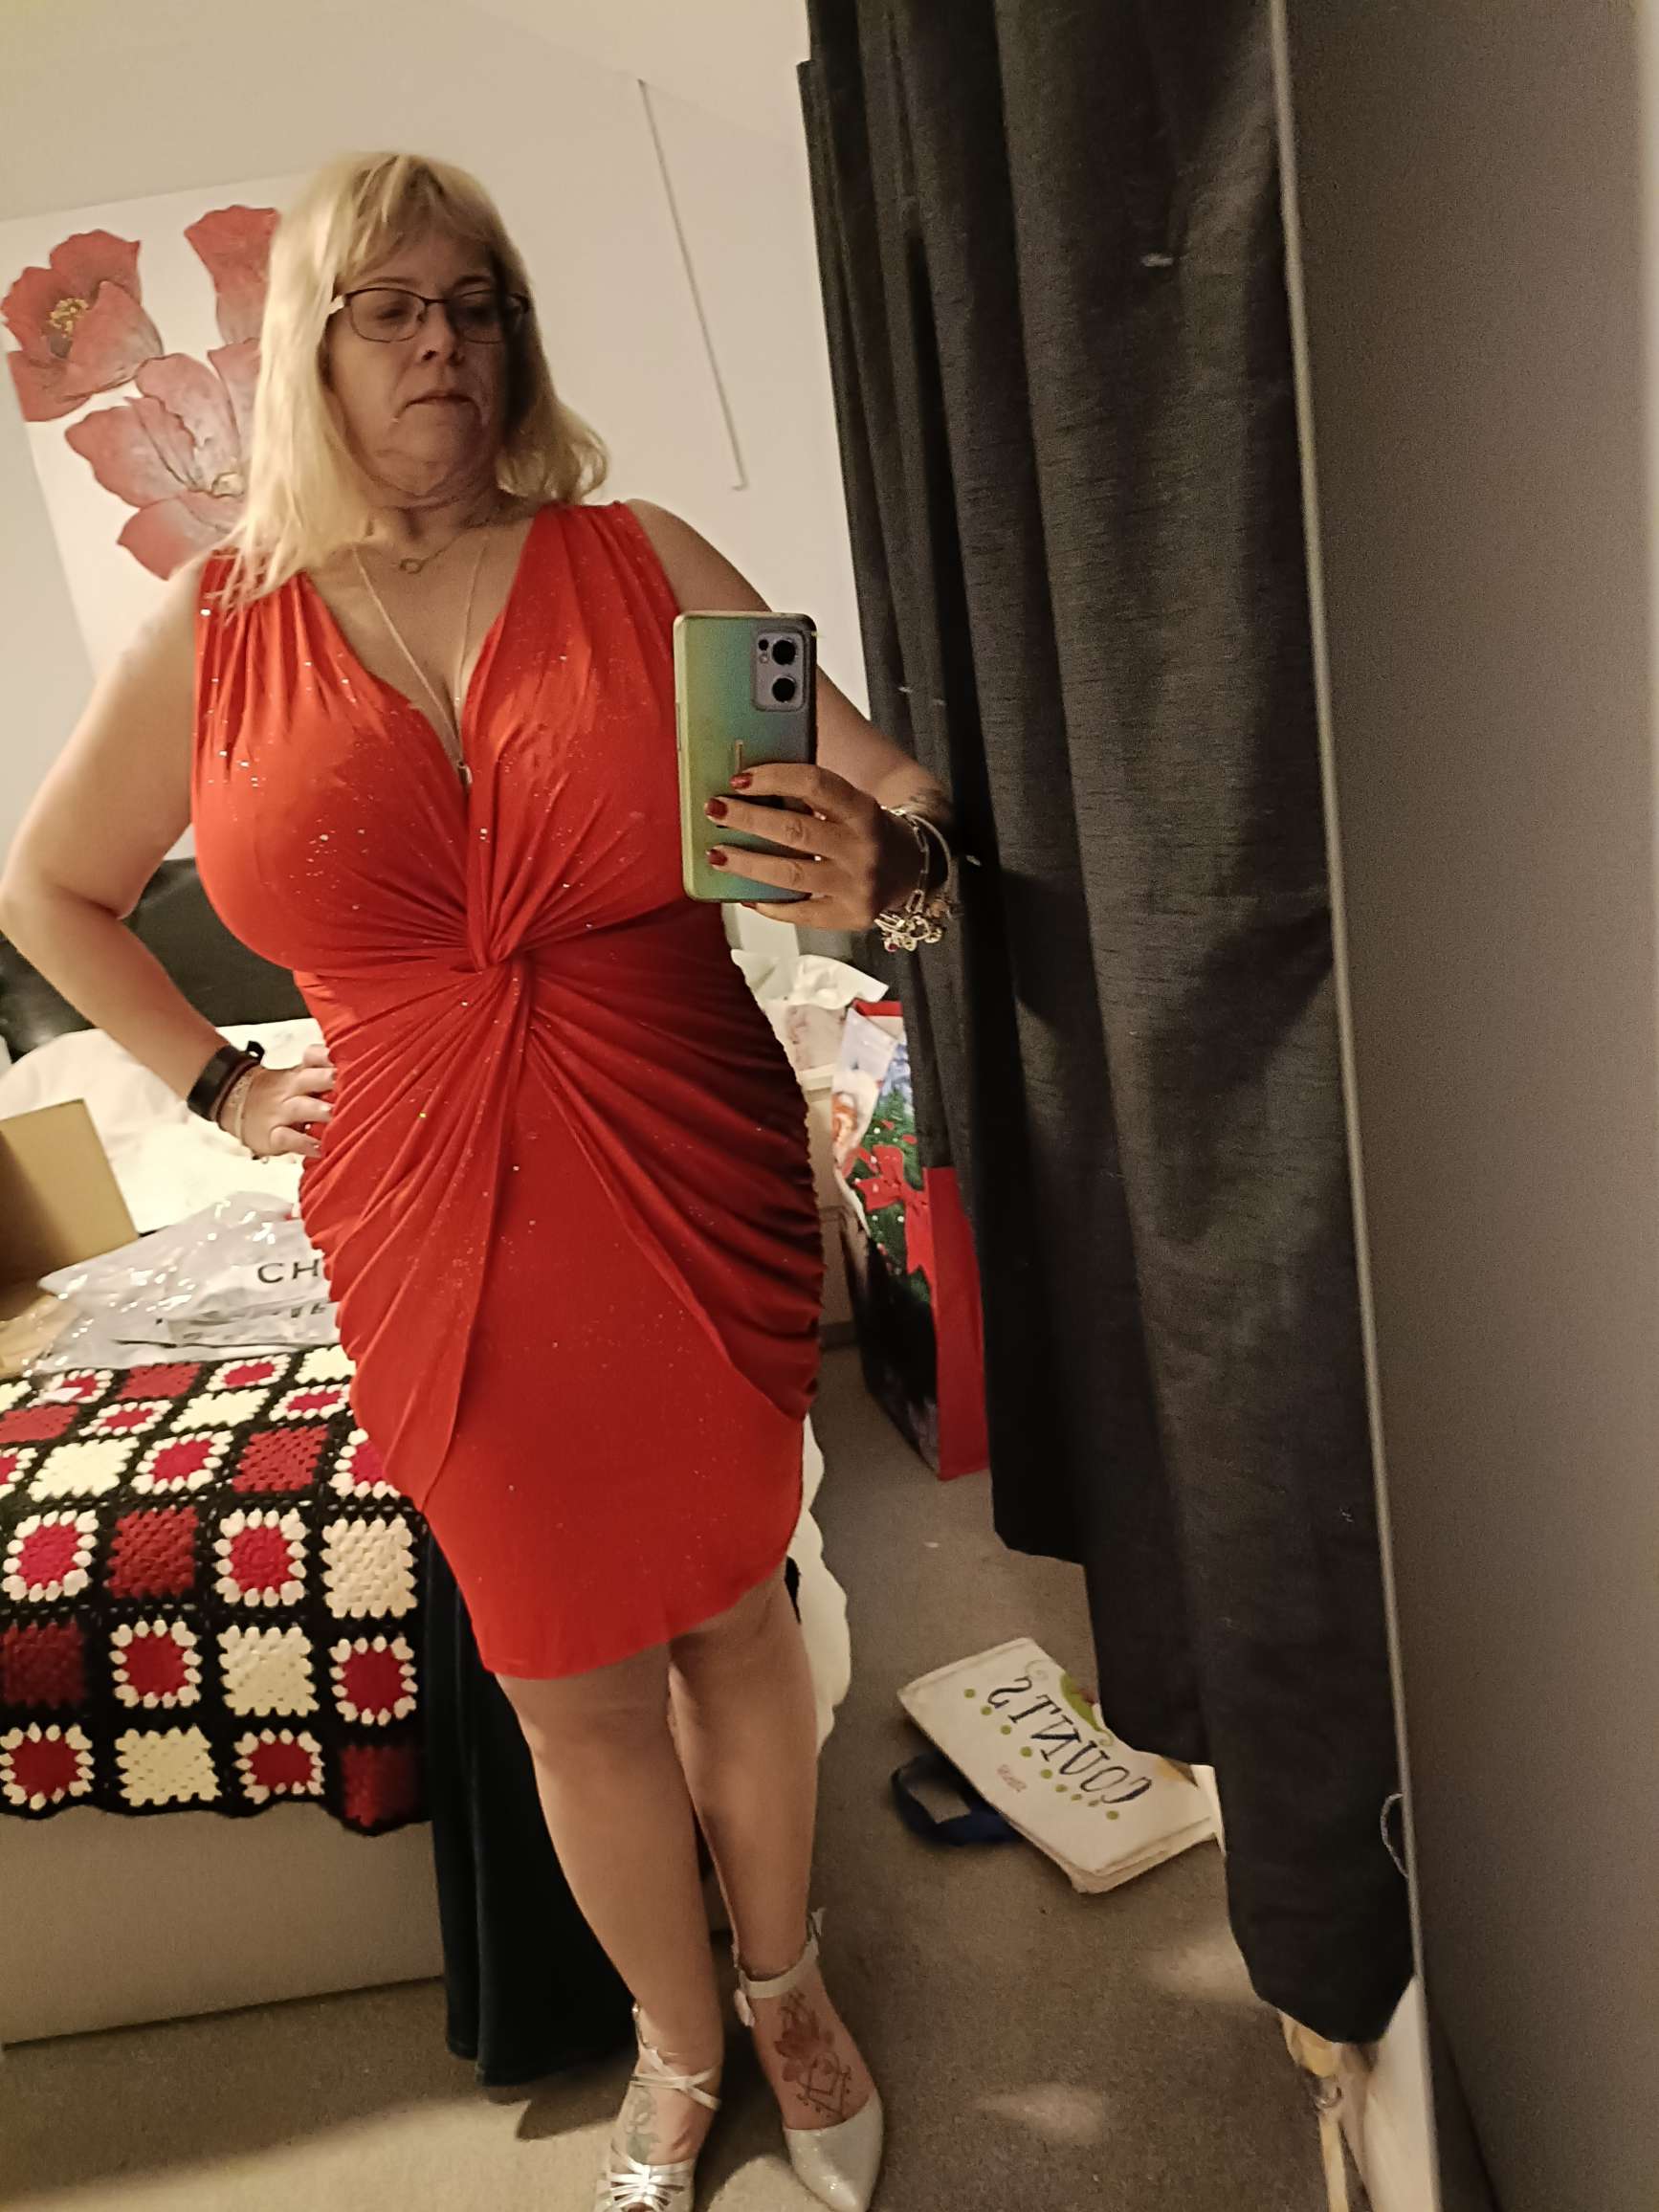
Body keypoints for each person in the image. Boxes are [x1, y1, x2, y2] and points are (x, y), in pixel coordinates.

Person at [0, 151, 957, 2212]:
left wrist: (895, 865)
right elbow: (50, 890)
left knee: (736, 1615)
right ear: (310, 344)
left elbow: (893, 792)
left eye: (477, 303)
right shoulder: (217, 625)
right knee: (563, 1679)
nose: (443, 341)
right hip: (418, 1199)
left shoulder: (637, 554)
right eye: (391, 305)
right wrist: (222, 1084)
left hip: (686, 1146)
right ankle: (681, 2042)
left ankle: (787, 1983)